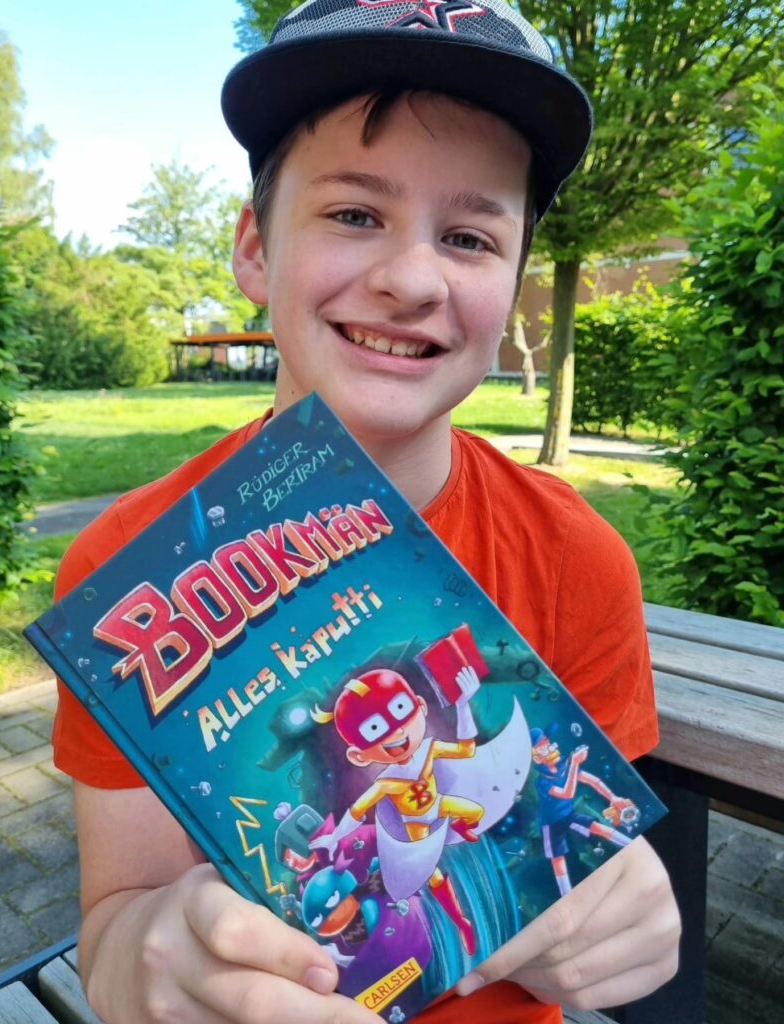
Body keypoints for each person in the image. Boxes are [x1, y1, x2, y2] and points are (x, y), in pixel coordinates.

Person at [51, 2, 681, 1022]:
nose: (412, 279)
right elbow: (116, 926)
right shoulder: (121, 570)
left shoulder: (578, 558)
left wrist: (625, 915)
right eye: (353, 214)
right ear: (255, 250)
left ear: (514, 284)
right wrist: (144, 962)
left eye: (469, 236)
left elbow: (587, 844)